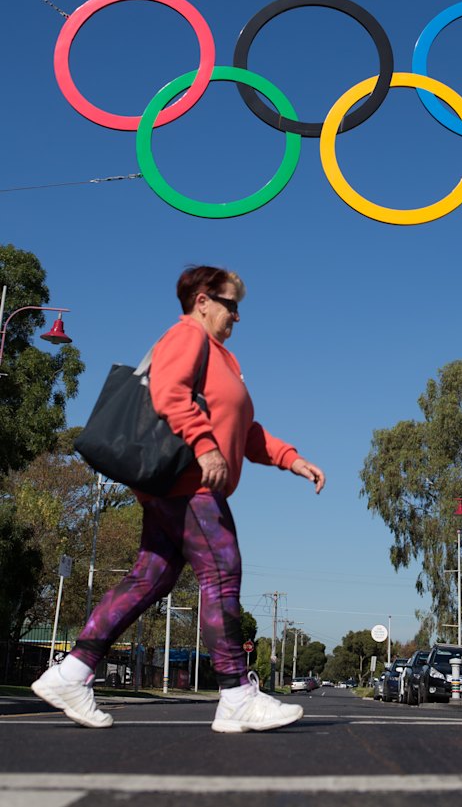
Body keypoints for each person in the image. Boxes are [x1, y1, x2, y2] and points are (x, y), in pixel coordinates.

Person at [32, 265, 325, 733]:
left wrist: (291, 459)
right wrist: (205, 446)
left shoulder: (222, 357)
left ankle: (71, 673)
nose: (237, 316)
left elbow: (244, 433)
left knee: (150, 579)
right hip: (189, 482)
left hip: (175, 486)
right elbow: (169, 393)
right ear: (203, 300)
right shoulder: (187, 336)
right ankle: (235, 694)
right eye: (232, 305)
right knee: (222, 572)